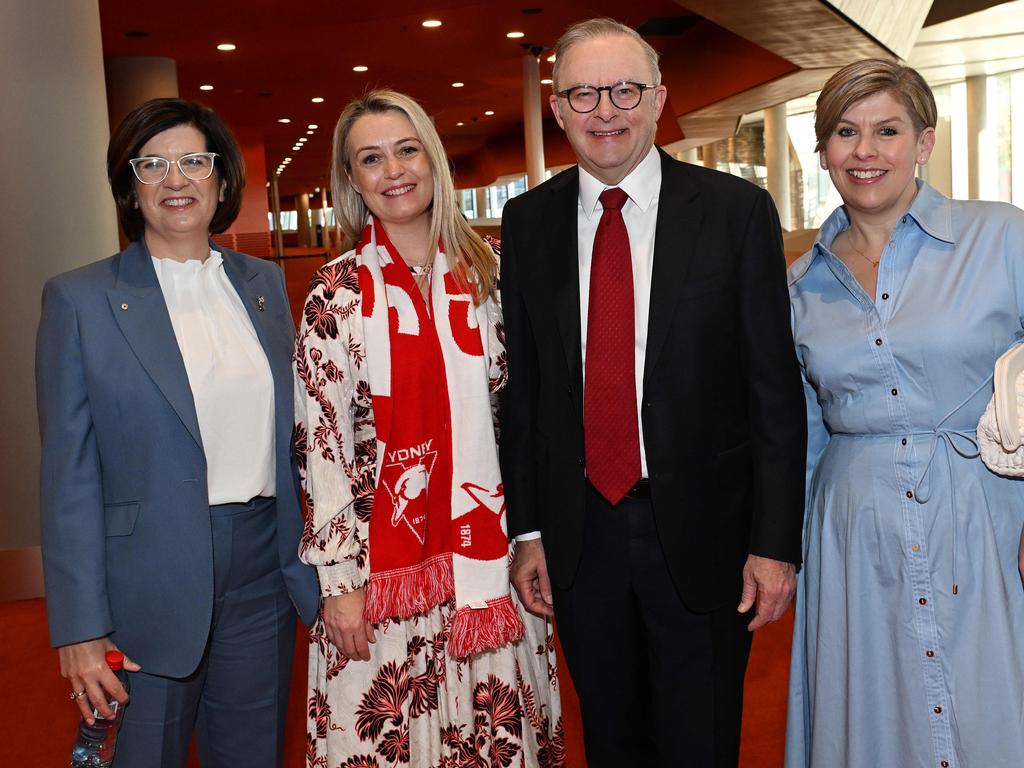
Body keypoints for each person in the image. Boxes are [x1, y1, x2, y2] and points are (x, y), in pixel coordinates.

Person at [499, 17, 807, 768]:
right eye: (584, 94)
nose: (606, 110)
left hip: (706, 537)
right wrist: (528, 529)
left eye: (626, 90)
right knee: (610, 738)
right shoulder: (528, 223)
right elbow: (527, 392)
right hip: (580, 539)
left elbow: (774, 391)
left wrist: (774, 545)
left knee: (700, 740)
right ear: (559, 109)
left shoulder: (735, 214)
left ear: (659, 97)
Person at [37, 98, 319, 767]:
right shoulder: (80, 300)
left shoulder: (265, 287)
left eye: (194, 161)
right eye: (152, 165)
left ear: (222, 180)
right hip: (144, 585)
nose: (176, 179)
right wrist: (80, 628)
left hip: (261, 573)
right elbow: (68, 478)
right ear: (129, 188)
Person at [294, 89, 562, 767]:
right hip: (379, 574)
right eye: (371, 158)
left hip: (489, 564)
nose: (394, 171)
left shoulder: (493, 277)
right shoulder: (336, 293)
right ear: (351, 181)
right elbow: (321, 445)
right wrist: (339, 586)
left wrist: (534, 537)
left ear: (433, 158)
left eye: (407, 150)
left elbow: (524, 420)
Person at [785, 59, 1024, 768]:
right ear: (822, 150)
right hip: (853, 537)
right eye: (845, 133)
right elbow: (801, 433)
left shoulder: (1003, 238)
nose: (865, 151)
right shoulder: (798, 284)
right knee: (878, 716)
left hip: (988, 516)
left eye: (887, 131)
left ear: (923, 142)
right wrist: (786, 550)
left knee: (992, 705)